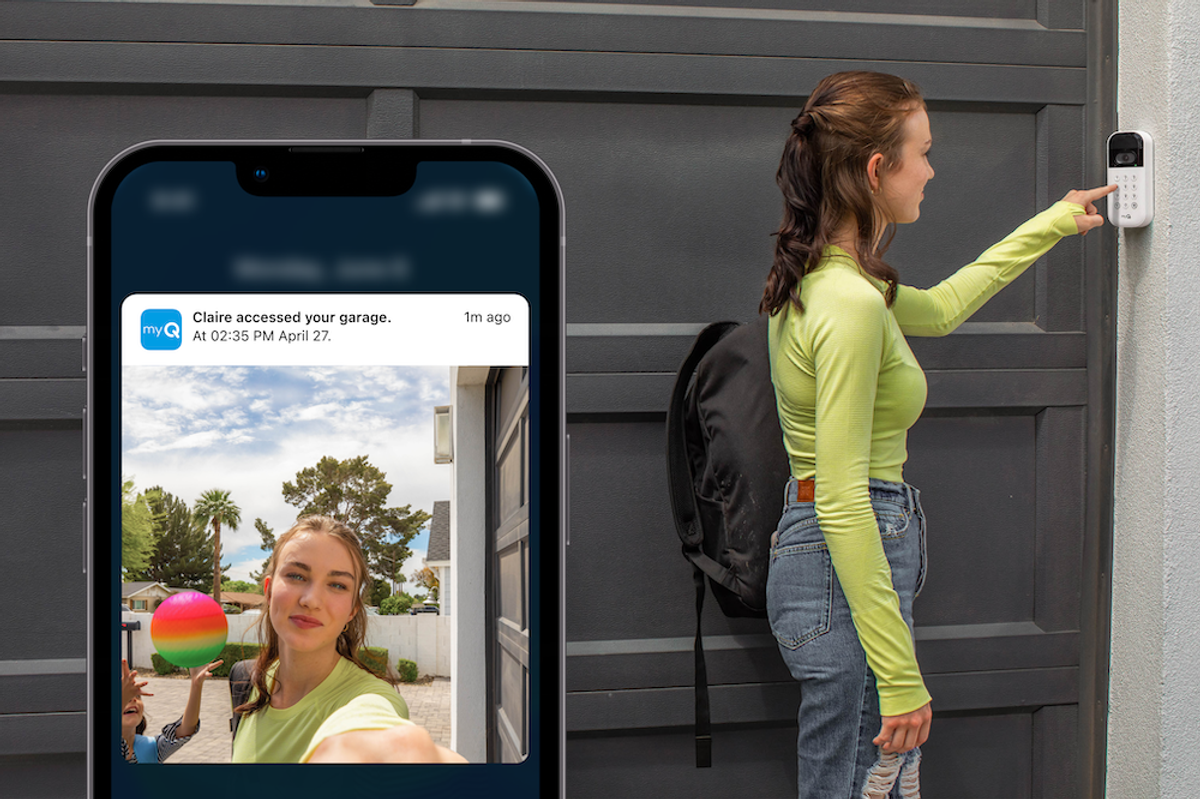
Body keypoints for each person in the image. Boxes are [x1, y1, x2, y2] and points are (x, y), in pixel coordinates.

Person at [759, 70, 1113, 798]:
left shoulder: (830, 280)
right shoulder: (850, 302)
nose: (931, 170)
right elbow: (845, 498)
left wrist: (1054, 221)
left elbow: (945, 307)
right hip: (844, 552)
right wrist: (899, 676)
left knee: (857, 779)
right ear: (876, 169)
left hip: (832, 558)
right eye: (922, 152)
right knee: (858, 782)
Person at [231, 514, 464, 763]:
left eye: (338, 585)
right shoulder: (248, 682)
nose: (311, 600)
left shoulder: (372, 698)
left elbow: (375, 726)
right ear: (268, 591)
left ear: (352, 610)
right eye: (296, 576)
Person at [119, 656, 221, 763]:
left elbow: (184, 731)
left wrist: (196, 684)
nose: (132, 700)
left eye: (136, 695)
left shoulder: (149, 748)